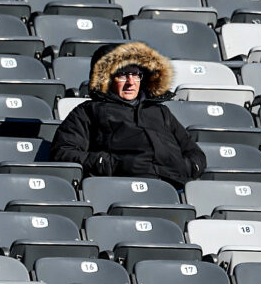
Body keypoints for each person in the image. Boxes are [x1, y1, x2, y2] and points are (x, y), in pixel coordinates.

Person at [50, 42, 206, 188]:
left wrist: (184, 167)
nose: (131, 82)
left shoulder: (160, 111)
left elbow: (195, 153)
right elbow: (64, 153)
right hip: (123, 186)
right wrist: (113, 164)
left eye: (136, 74)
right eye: (122, 75)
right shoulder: (88, 111)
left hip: (174, 187)